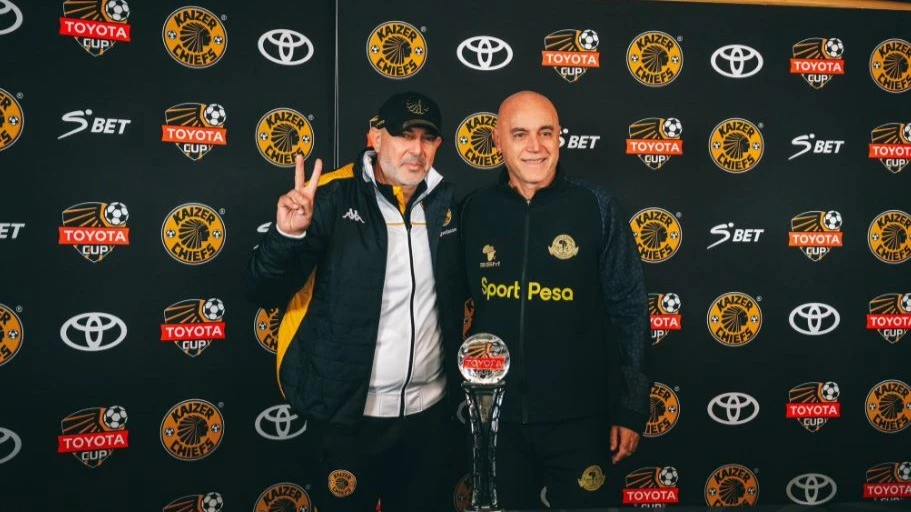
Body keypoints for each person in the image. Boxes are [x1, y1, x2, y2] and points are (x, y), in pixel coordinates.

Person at [245, 91, 464, 512]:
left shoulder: (447, 203)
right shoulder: (328, 196)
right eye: (403, 135)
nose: (416, 149)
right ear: (375, 138)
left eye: (427, 138)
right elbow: (262, 291)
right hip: (348, 418)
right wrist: (286, 236)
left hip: (430, 415)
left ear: (438, 145)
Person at [459, 90, 652, 509]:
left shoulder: (595, 205)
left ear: (559, 138)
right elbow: (441, 303)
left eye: (546, 132)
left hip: (581, 420)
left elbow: (631, 307)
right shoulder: (474, 209)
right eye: (521, 133)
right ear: (497, 141)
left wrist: (631, 406)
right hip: (497, 422)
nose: (535, 146)